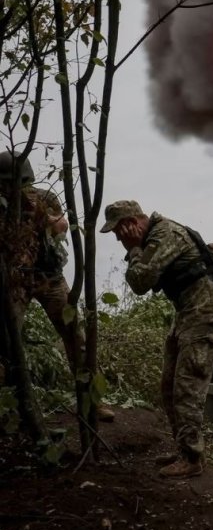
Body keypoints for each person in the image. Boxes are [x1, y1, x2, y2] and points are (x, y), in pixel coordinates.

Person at [101, 200, 213, 478]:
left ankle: (193, 459)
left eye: (119, 231)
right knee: (168, 387)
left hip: (202, 315)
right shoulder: (157, 236)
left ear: (131, 223)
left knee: (186, 389)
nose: (119, 238)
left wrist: (134, 249)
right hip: (186, 315)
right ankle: (184, 450)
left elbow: (140, 281)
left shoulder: (164, 234)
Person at [0, 151, 114, 422]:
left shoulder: (44, 199)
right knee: (6, 339)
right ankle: (13, 405)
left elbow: (60, 228)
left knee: (76, 337)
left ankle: (92, 402)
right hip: (18, 280)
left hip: (49, 277)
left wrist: (46, 221)